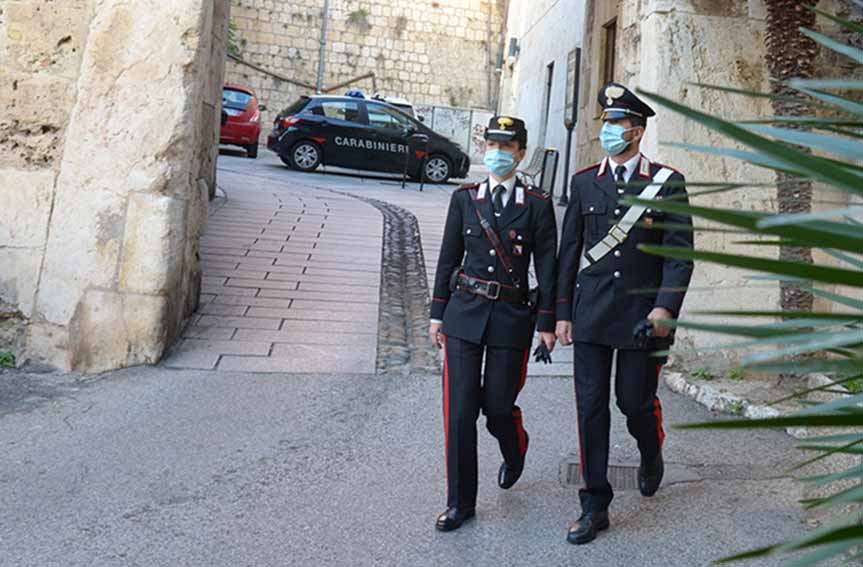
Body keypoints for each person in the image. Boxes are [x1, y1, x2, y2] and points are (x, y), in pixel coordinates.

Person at [555, 83, 694, 545]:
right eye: (606, 123)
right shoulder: (584, 181)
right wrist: (561, 314)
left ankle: (650, 448)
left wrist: (663, 308)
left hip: (641, 316)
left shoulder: (666, 182)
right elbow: (569, 252)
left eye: (617, 124)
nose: (609, 131)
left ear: (636, 130)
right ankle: (594, 503)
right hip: (592, 312)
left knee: (632, 402)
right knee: (590, 407)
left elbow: (679, 256)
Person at [428, 115, 558, 532]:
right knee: (460, 410)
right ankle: (460, 503)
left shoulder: (536, 204)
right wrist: (436, 313)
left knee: (497, 408)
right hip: (463, 315)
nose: (498, 155)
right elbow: (449, 258)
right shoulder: (464, 199)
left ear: (521, 153)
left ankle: (515, 446)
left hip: (510, 317)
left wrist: (547, 322)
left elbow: (548, 268)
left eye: (507, 148)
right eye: (492, 147)